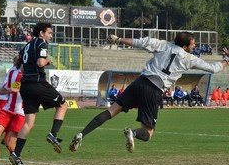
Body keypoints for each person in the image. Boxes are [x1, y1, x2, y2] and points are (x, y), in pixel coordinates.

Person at [69, 32, 229, 153]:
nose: (194, 47)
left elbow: (140, 42)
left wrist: (118, 40)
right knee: (148, 132)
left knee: (111, 111)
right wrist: (226, 60)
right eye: (193, 44)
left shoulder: (163, 45)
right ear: (186, 46)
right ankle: (132, 133)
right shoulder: (189, 58)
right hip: (154, 90)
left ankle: (82, 134)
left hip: (139, 82)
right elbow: (214, 68)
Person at [9, 22, 68, 165]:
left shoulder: (27, 45)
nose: (51, 35)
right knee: (62, 105)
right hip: (36, 83)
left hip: (25, 86)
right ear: (41, 33)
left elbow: (20, 66)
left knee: (29, 123)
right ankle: (53, 134)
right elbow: (41, 62)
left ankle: (16, 153)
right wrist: (49, 60)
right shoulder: (41, 42)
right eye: (49, 32)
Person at [0, 55, 24, 165]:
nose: (16, 60)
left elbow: (15, 89)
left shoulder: (28, 73)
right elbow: (7, 88)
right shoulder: (12, 71)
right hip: (7, 109)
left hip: (20, 112)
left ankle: (18, 162)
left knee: (9, 143)